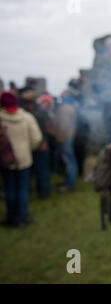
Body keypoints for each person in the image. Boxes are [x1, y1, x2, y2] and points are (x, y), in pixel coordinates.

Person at [0, 92, 42, 227]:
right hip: (24, 159)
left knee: (10, 189)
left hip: (6, 160)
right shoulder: (27, 118)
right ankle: (22, 218)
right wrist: (27, 149)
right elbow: (36, 139)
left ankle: (11, 218)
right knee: (23, 189)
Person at [31, 95, 55, 199]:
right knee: (42, 170)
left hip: (40, 145)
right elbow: (50, 130)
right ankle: (44, 191)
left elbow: (49, 130)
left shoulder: (39, 114)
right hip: (41, 144)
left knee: (42, 170)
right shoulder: (42, 114)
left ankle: (44, 192)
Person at [54, 90, 78, 193]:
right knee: (69, 160)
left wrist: (60, 138)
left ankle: (70, 184)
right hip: (68, 136)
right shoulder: (70, 107)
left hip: (64, 137)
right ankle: (69, 181)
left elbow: (63, 125)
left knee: (69, 161)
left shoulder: (65, 108)